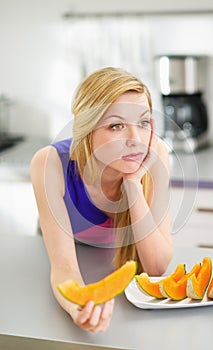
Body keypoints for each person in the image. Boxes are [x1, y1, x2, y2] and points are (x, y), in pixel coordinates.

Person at [30, 67, 173, 333]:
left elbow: (156, 266)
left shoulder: (155, 153)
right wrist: (77, 307)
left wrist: (132, 184)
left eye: (143, 123)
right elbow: (64, 267)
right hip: (64, 251)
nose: (135, 140)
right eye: (116, 125)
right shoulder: (49, 163)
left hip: (109, 259)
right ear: (87, 131)